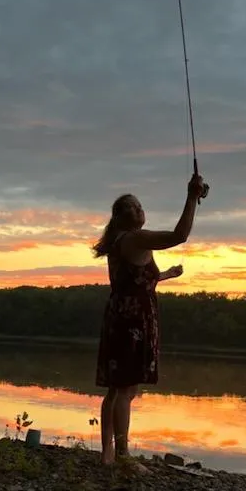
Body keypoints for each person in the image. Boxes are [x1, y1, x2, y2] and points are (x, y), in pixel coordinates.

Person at [92, 171, 208, 466]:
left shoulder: (123, 241)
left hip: (123, 315)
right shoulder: (135, 238)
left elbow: (139, 281)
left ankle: (108, 453)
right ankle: (122, 454)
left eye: (139, 205)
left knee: (117, 388)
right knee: (126, 388)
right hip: (132, 322)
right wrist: (192, 197)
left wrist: (166, 274)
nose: (137, 209)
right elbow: (179, 236)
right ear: (118, 218)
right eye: (129, 207)